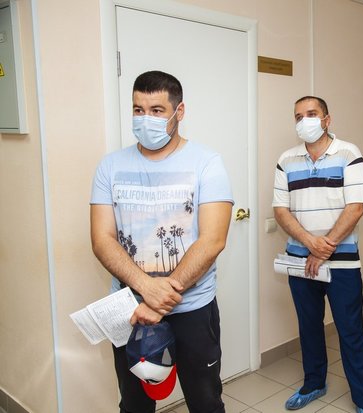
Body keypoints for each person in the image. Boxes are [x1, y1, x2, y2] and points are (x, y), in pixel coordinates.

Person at [90, 70, 233, 413]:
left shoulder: (207, 163)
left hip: (192, 308)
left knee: (205, 402)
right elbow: (102, 238)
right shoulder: (110, 166)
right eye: (138, 110)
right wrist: (145, 289)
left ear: (178, 112)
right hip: (129, 310)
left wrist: (157, 301)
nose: (145, 118)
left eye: (156, 110)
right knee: (134, 404)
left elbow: (213, 240)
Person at [273, 96, 363, 413]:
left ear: (326, 119)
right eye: (298, 116)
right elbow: (281, 210)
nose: (304, 120)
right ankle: (314, 383)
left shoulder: (348, 154)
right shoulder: (286, 160)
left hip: (342, 263)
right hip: (299, 261)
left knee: (350, 331)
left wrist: (324, 247)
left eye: (311, 114)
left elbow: (356, 207)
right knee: (309, 327)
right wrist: (310, 242)